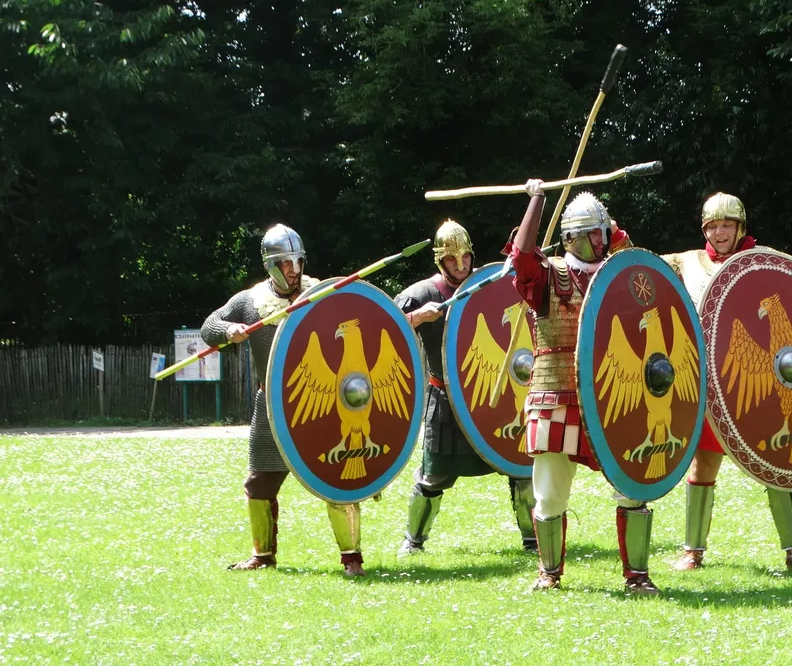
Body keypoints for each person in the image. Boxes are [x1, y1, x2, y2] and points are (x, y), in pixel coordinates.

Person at [508, 181, 660, 595]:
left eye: (603, 232)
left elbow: (653, 285)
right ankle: (549, 573)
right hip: (555, 394)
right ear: (571, 237)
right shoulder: (548, 275)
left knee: (631, 482)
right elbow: (522, 257)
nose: (600, 239)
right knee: (551, 492)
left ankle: (638, 576)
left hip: (611, 394)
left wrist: (616, 236)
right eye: (592, 233)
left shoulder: (618, 274)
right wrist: (537, 200)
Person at [664, 193, 792, 574]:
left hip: (760, 382)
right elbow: (640, 266)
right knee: (703, 466)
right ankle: (692, 551)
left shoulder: (763, 261)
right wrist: (612, 236)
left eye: (727, 225)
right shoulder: (687, 263)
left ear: (740, 227)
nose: (719, 232)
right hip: (711, 385)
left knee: (776, 464)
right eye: (713, 226)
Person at [201, 224, 366, 577]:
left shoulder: (323, 292)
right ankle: (263, 555)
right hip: (273, 406)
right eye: (285, 263)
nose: (293, 269)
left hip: (322, 401)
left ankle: (352, 557)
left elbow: (361, 318)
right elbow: (209, 325)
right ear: (270, 265)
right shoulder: (250, 302)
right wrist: (229, 331)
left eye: (297, 261)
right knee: (260, 483)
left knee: (337, 477)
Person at [394, 219, 537, 556]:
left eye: (465, 259)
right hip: (446, 398)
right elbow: (382, 328)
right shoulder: (422, 294)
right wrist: (416, 319)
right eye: (452, 260)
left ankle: (533, 541)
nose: (460, 266)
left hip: (495, 395)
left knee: (519, 467)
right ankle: (413, 542)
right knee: (434, 476)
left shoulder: (489, 285)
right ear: (439, 260)